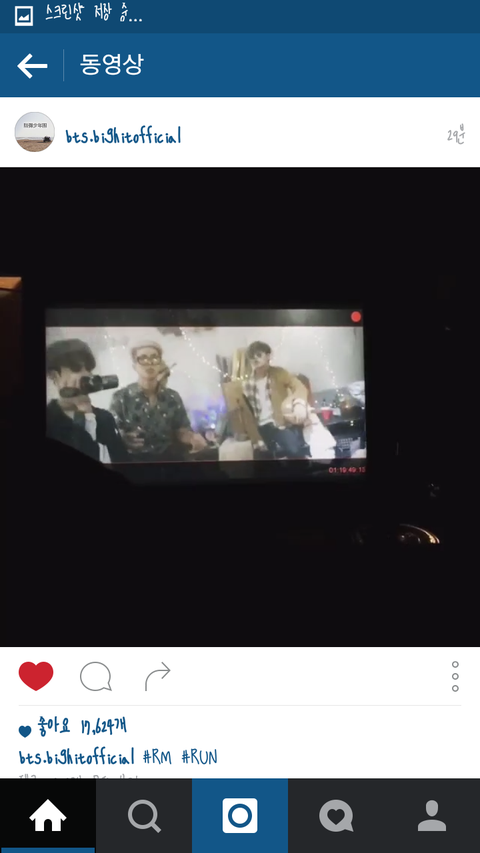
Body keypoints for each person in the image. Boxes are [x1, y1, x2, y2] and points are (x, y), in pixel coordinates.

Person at [109, 340, 207, 462]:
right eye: (143, 358)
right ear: (134, 366)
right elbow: (112, 433)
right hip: (135, 462)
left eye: (154, 358)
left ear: (160, 363)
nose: (149, 363)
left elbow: (181, 429)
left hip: (169, 461)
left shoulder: (173, 397)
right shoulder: (121, 397)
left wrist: (192, 438)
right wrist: (124, 438)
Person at [46, 339, 129, 464]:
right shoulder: (49, 420)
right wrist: (82, 418)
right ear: (54, 376)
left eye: (88, 369)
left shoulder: (104, 418)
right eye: (76, 369)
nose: (86, 374)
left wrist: (88, 414)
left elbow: (121, 462)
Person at [240, 341, 310, 458]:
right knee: (264, 456)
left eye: (258, 355)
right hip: (262, 427)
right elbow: (248, 416)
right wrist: (256, 439)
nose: (255, 359)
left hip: (280, 423)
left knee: (295, 449)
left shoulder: (279, 373)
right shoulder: (246, 385)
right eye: (252, 357)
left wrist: (299, 404)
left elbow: (299, 386)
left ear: (268, 356)